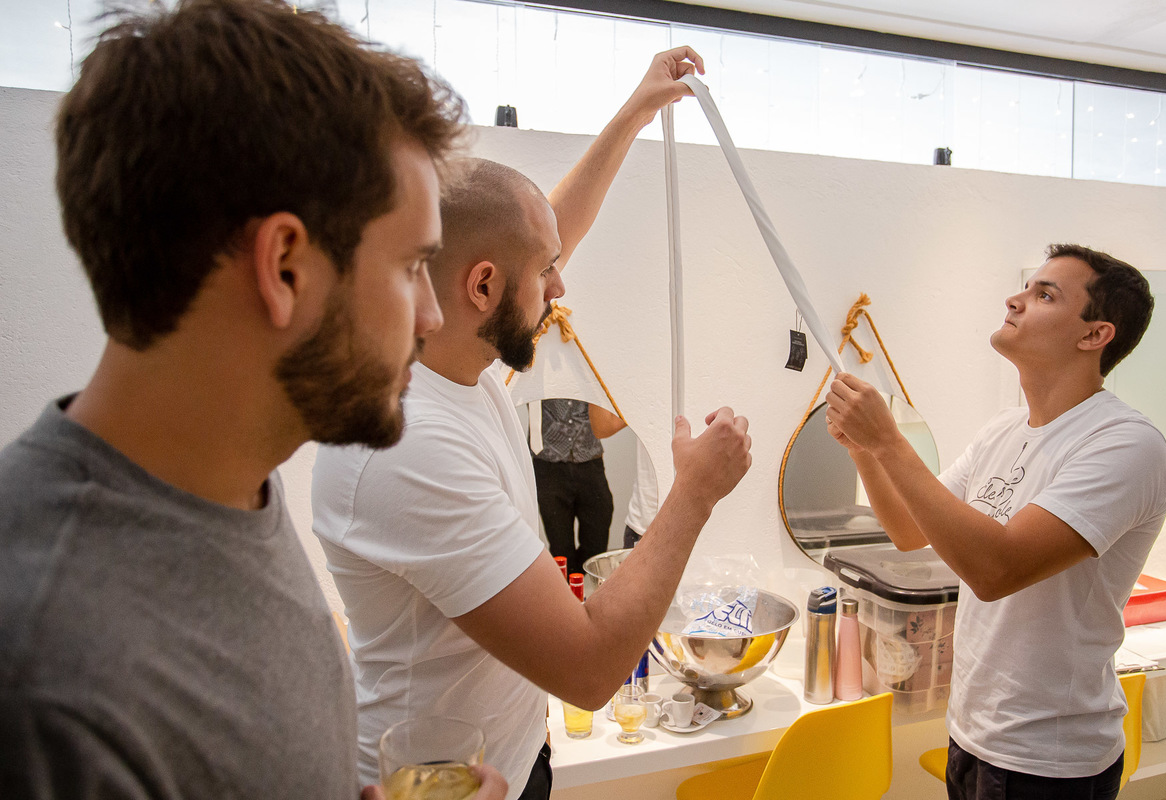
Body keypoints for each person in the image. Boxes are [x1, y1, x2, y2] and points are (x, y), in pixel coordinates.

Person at [0, 1, 506, 798]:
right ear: (284, 267)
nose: (433, 317)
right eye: (411, 267)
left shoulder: (232, 495)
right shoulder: (51, 686)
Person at [312, 47, 753, 799]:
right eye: (548, 270)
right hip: (436, 785)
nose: (562, 282)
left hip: (513, 761)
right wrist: (696, 493)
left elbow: (533, 239)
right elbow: (587, 669)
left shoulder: (456, 354)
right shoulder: (407, 443)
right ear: (482, 286)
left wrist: (635, 113)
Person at [824, 244, 1166, 800]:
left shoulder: (1126, 445)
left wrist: (889, 440)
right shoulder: (1004, 430)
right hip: (973, 734)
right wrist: (864, 450)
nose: (1014, 299)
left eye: (1044, 294)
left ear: (1093, 335)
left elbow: (996, 569)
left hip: (1050, 757)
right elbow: (910, 533)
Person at [530, 399, 623, 574]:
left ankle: (583, 584)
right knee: (560, 546)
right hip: (548, 464)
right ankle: (566, 593)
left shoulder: (592, 370)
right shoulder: (532, 371)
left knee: (597, 534)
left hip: (590, 460)